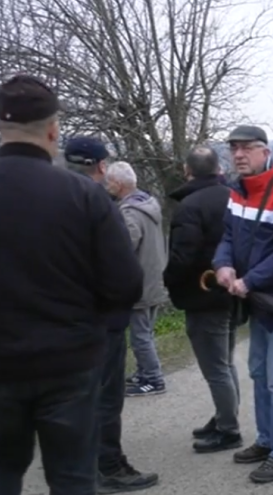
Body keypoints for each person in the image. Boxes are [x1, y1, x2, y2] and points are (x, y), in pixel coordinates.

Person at [0, 75, 143, 495]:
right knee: (72, 476)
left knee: (1, 465)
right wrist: (92, 322)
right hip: (68, 360)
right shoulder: (85, 196)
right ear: (53, 130)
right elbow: (125, 283)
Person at [212, 125, 273, 484]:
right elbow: (228, 235)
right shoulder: (237, 190)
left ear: (265, 151)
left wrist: (250, 280)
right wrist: (223, 264)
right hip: (256, 298)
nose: (239, 155)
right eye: (234, 148)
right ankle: (268, 440)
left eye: (247, 148)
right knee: (259, 372)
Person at [64, 137, 159, 492]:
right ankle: (108, 466)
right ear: (102, 167)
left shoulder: (51, 199)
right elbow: (123, 268)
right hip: (102, 318)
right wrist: (122, 301)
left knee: (73, 396)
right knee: (105, 396)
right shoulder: (101, 204)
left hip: (62, 318)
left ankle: (76, 465)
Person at [163, 146, 244, 454]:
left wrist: (168, 280)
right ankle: (225, 415)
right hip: (232, 290)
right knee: (225, 362)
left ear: (187, 171)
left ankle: (229, 429)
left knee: (216, 368)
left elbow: (183, 255)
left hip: (203, 295)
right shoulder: (235, 198)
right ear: (218, 169)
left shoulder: (189, 207)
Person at [106, 161, 170, 396]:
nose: (107, 186)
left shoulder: (129, 213)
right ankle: (144, 372)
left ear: (118, 184)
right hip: (155, 278)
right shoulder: (148, 204)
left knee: (140, 337)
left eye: (109, 182)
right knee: (146, 332)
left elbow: (125, 248)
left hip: (141, 283)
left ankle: (153, 379)